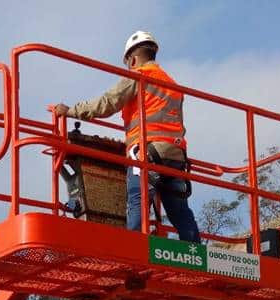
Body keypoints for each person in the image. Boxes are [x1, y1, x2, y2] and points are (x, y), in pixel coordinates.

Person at [54, 30, 200, 244]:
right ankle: (196, 252)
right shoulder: (172, 85)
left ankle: (133, 247)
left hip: (147, 151)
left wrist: (70, 111)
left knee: (137, 200)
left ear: (133, 59)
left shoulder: (138, 76)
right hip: (176, 155)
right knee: (179, 209)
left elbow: (105, 104)